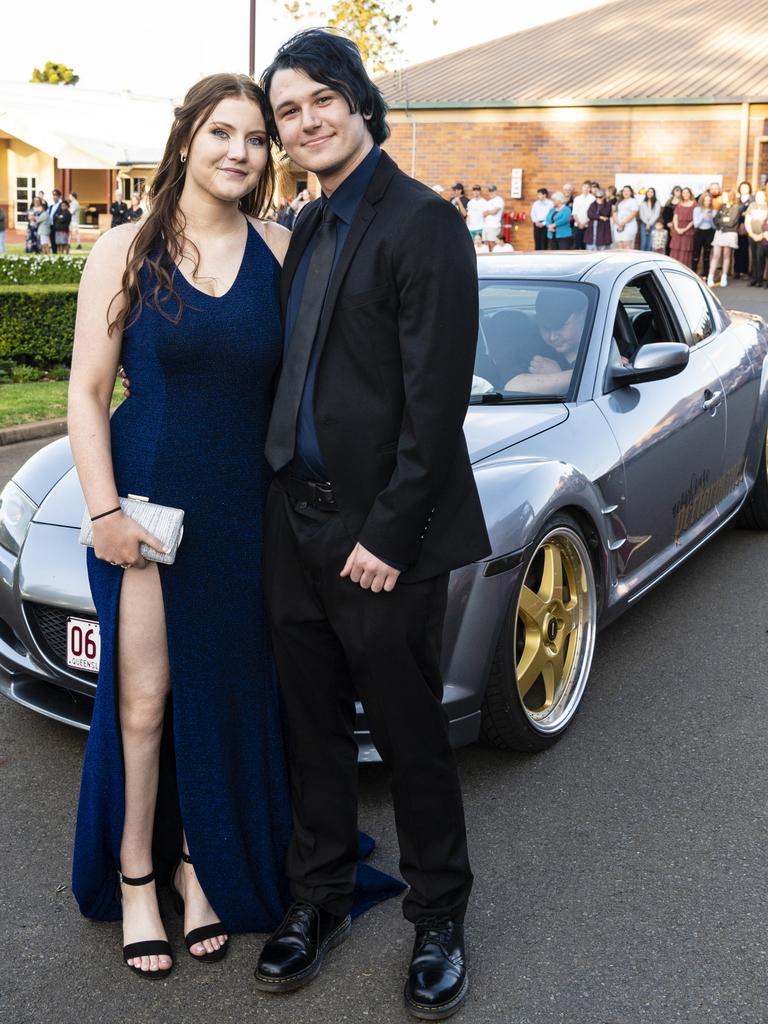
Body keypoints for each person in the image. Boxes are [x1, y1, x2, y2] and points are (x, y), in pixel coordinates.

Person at [69, 70, 404, 981]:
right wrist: (102, 511)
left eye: (256, 139)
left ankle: (198, 864)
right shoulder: (125, 249)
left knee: (231, 696)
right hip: (146, 506)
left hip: (250, 514)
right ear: (187, 139)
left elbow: (327, 381)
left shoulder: (281, 247)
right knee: (143, 701)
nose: (240, 152)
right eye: (223, 132)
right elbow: (87, 395)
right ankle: (137, 874)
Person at [256, 29, 490, 1020]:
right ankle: (322, 896)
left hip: (381, 540)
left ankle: (439, 915)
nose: (304, 123)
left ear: (355, 101)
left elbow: (435, 408)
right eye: (287, 114)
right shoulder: (306, 227)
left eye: (318, 102)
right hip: (294, 529)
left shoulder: (424, 221)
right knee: (311, 734)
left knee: (407, 737)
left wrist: (388, 538)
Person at [504, 288, 587, 394]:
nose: (552, 337)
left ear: (584, 314)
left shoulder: (603, 347)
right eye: (545, 328)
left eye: (560, 326)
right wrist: (561, 379)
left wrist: (553, 377)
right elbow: (513, 387)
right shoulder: (536, 351)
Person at [708, 189, 740, 287]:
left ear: (730, 196)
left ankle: (724, 277)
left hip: (729, 234)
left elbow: (731, 222)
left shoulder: (735, 207)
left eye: (725, 196)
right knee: (715, 255)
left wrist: (722, 221)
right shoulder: (722, 206)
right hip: (719, 232)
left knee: (726, 255)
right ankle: (710, 277)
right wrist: (724, 220)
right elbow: (715, 219)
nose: (723, 198)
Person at [745, 190, 768, 287]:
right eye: (757, 195)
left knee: (760, 257)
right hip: (752, 235)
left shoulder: (767, 206)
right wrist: (751, 234)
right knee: (753, 257)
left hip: (764, 236)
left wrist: (761, 235)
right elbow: (747, 221)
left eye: (761, 196)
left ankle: (760, 279)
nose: (759, 197)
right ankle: (754, 278)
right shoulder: (752, 206)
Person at [669, 186, 695, 266]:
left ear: (690, 194)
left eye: (687, 192)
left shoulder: (695, 204)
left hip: (688, 231)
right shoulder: (679, 204)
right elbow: (675, 217)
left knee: (685, 250)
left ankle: (683, 268)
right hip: (677, 231)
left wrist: (684, 229)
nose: (685, 194)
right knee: (675, 249)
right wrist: (676, 228)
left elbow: (694, 219)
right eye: (684, 193)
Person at [692, 191, 716, 279]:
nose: (707, 202)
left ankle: (705, 274)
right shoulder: (697, 209)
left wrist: (711, 219)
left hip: (709, 233)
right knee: (696, 255)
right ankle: (693, 273)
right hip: (699, 232)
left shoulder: (713, 210)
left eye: (709, 200)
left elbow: (714, 226)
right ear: (702, 200)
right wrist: (703, 216)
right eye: (706, 200)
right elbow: (696, 224)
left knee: (707, 255)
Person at [734, 180, 753, 278]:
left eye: (746, 187)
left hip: (748, 226)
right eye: (742, 187)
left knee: (745, 249)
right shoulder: (736, 200)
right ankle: (736, 271)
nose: (744, 189)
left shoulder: (752, 200)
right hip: (736, 226)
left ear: (749, 189)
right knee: (737, 249)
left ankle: (745, 271)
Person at [612, 185, 639, 250]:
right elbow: (614, 213)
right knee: (620, 246)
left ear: (631, 192)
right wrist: (619, 223)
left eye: (627, 191)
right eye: (624, 191)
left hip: (629, 226)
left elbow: (633, 213)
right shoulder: (618, 202)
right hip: (618, 226)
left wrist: (623, 223)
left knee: (627, 245)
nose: (625, 192)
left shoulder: (633, 201)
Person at [571, 180, 594, 249]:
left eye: (588, 187)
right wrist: (579, 223)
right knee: (577, 245)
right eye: (584, 187)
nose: (586, 189)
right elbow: (574, 212)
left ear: (590, 189)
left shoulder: (593, 199)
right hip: (577, 225)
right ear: (582, 187)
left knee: (586, 246)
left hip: (588, 226)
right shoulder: (577, 199)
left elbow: (592, 213)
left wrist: (584, 223)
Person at [637, 187, 661, 252]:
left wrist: (650, 223)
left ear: (654, 193)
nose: (650, 193)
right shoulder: (642, 203)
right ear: (646, 193)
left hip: (653, 224)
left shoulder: (657, 203)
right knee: (643, 242)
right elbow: (641, 215)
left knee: (651, 242)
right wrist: (647, 223)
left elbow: (656, 214)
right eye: (648, 192)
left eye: (651, 192)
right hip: (644, 224)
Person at [483, 184, 504, 250]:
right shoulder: (488, 202)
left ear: (496, 191)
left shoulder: (499, 200)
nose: (491, 193)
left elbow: (495, 212)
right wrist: (490, 212)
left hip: (494, 225)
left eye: (492, 191)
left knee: (493, 243)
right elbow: (483, 214)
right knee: (485, 244)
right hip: (486, 225)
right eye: (490, 191)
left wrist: (488, 212)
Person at [662, 185, 681, 254]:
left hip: (677, 226)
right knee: (667, 242)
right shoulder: (669, 201)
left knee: (675, 243)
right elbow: (664, 214)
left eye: (679, 190)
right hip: (668, 225)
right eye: (676, 190)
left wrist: (674, 223)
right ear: (673, 191)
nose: (678, 192)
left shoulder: (682, 202)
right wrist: (667, 222)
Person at [48, 189, 63, 253]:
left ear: (59, 196)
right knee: (52, 240)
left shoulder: (61, 205)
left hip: (57, 225)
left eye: (56, 195)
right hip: (51, 225)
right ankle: (54, 252)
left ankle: (59, 252)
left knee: (58, 240)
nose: (54, 197)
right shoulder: (51, 206)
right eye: (53, 195)